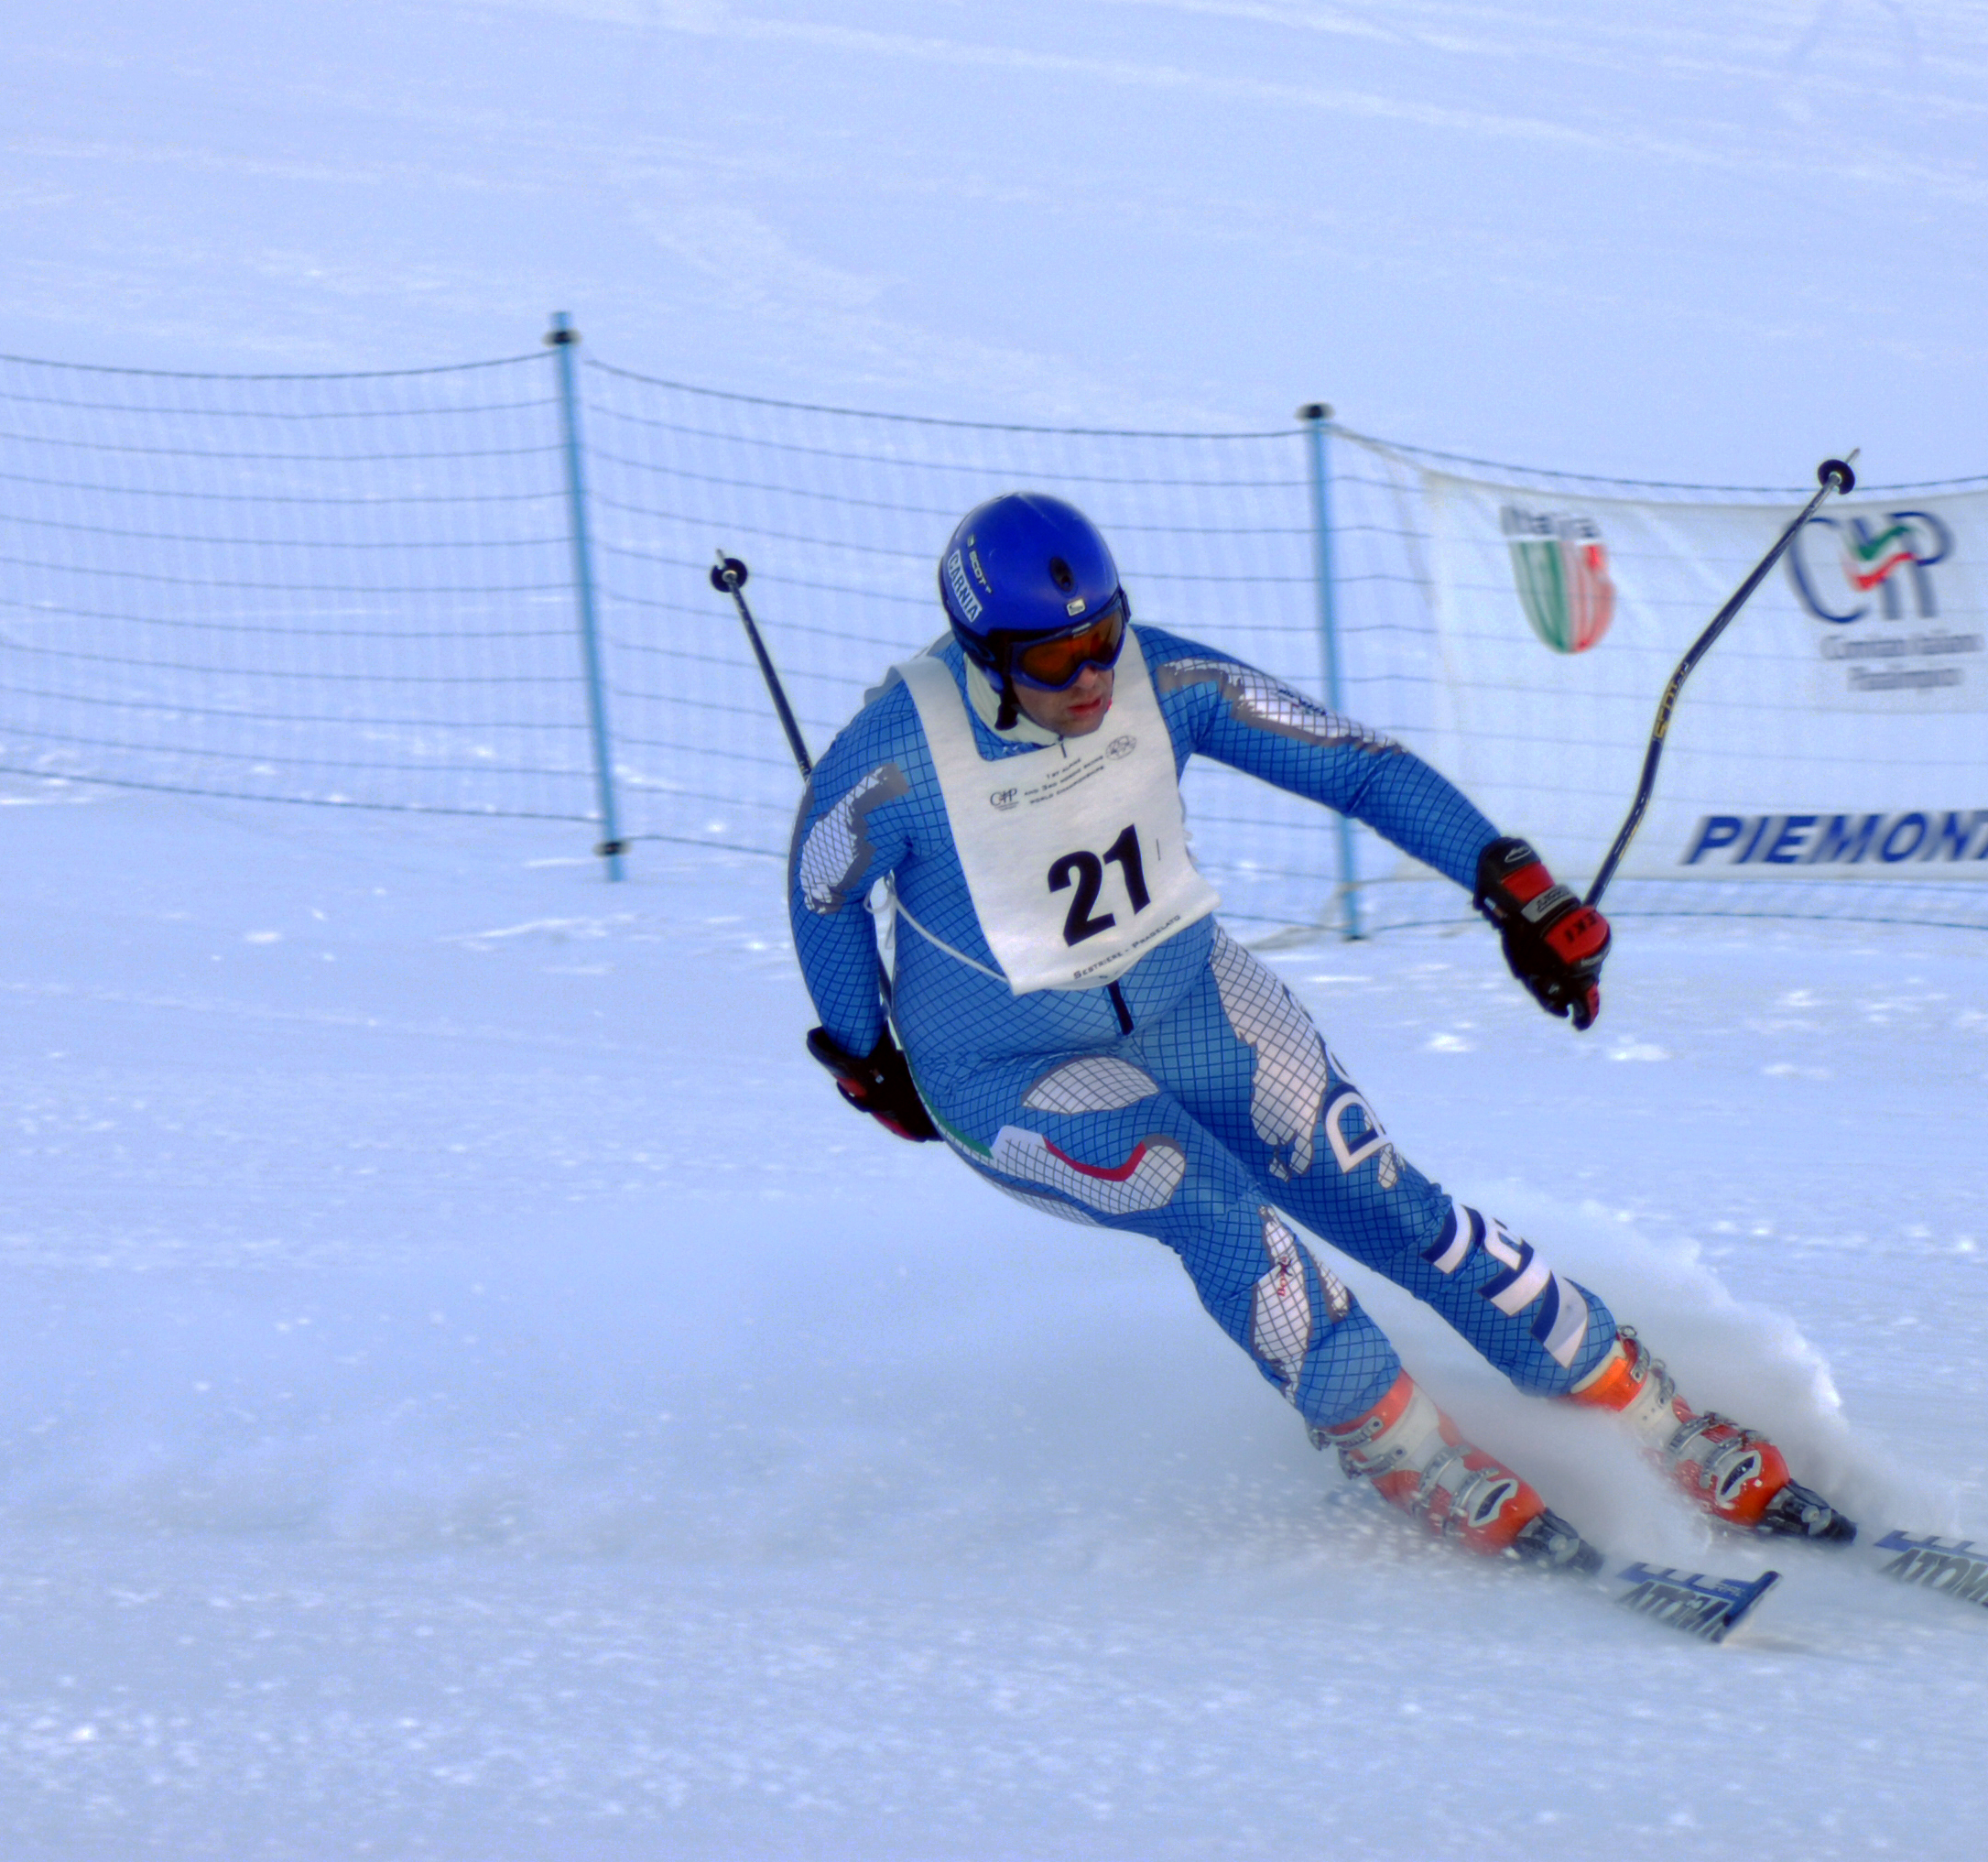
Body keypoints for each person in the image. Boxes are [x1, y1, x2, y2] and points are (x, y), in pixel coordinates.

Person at [786, 491, 1852, 1567]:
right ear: (984, 654)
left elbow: (1351, 760)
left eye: (1104, 635)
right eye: (1055, 659)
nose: (1092, 676)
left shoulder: (1163, 679)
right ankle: (1399, 1444)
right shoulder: (896, 756)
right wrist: (868, 1057)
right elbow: (820, 889)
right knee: (1219, 1213)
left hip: (1189, 1001)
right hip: (1006, 1067)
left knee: (1389, 1200)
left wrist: (1511, 885)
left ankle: (1639, 1407)